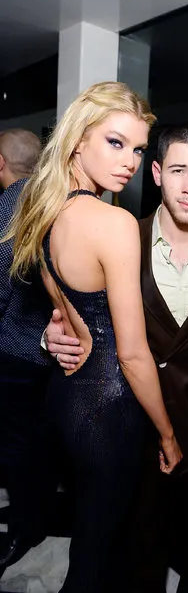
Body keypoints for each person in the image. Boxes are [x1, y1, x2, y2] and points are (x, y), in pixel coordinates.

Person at [46, 124, 188, 593]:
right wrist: (51, 337)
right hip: (134, 432)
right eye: (178, 170)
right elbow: (76, 309)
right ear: (156, 173)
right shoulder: (120, 237)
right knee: (136, 563)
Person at [3, 82, 181, 592]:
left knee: (89, 532)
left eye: (139, 148)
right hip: (109, 408)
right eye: (115, 143)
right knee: (97, 553)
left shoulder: (43, 209)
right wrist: (167, 434)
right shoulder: (115, 222)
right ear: (78, 140)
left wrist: (58, 329)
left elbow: (68, 312)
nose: (129, 161)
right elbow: (131, 352)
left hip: (63, 398)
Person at [0, 129, 54, 575]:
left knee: (16, 446)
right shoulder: (55, 197)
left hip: (16, 351)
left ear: (2, 163)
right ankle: (31, 515)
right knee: (37, 443)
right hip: (51, 354)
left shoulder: (10, 202)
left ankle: (24, 525)